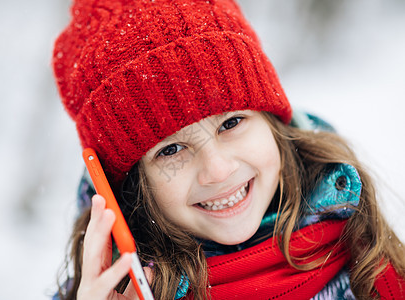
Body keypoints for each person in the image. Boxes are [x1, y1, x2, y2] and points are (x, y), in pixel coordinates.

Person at [51, 0, 405, 299]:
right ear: (132, 191)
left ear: (273, 122)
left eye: (231, 123)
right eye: (171, 149)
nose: (218, 170)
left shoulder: (365, 248)